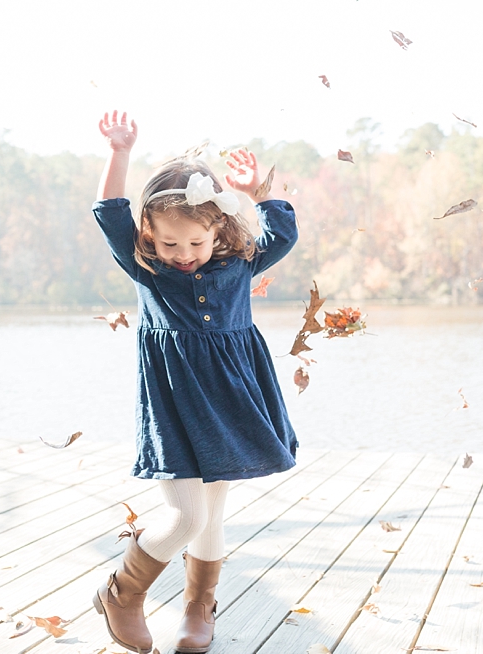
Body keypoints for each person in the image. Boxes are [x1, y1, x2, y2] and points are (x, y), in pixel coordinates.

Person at [90, 110, 299, 654]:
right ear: (150, 239)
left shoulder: (238, 264)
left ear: (218, 230)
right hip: (176, 405)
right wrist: (119, 153)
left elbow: (284, 231)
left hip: (233, 398)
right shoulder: (147, 269)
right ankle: (123, 594)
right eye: (170, 245)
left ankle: (198, 608)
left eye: (196, 244)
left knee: (213, 512)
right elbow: (109, 212)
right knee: (185, 515)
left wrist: (250, 192)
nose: (183, 256)